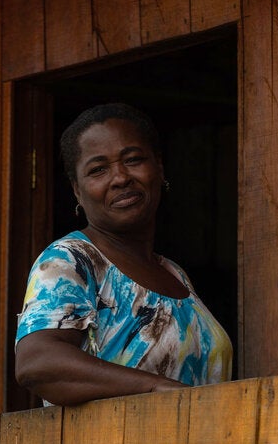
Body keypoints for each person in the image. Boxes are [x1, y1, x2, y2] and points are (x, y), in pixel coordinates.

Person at [14, 103, 233, 406]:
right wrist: (156, 389)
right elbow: (37, 363)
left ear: (159, 167)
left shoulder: (174, 274)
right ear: (77, 191)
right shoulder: (69, 261)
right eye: (98, 169)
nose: (120, 177)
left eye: (133, 159)